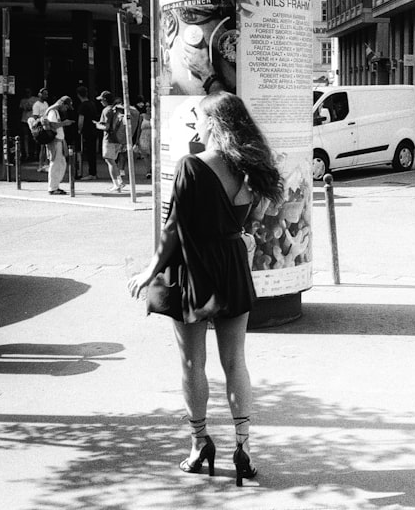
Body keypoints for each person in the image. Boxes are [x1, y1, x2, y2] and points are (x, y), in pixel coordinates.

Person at [127, 91, 283, 486]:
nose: (194, 122)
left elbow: (174, 228)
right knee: (236, 362)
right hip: (231, 268)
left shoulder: (192, 166)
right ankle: (244, 448)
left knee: (192, 363)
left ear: (213, 122)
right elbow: (252, 219)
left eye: (197, 116)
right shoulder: (251, 168)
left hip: (191, 272)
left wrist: (150, 270)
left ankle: (199, 445)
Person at [43, 96, 75, 195]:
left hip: (58, 140)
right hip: (55, 141)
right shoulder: (53, 112)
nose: (66, 109)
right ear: (62, 104)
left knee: (61, 163)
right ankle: (52, 188)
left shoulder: (54, 111)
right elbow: (53, 125)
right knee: (55, 164)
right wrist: (64, 123)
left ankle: (55, 186)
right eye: (66, 107)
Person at [96, 91, 126, 192]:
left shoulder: (106, 110)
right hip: (118, 138)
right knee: (112, 160)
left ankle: (117, 183)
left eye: (101, 100)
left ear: (105, 100)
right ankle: (119, 182)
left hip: (109, 139)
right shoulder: (116, 109)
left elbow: (106, 126)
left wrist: (97, 125)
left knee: (109, 160)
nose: (100, 102)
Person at [75, 86, 99, 180]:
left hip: (87, 131)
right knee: (92, 152)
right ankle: (94, 172)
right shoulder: (92, 104)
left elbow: (81, 120)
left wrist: (79, 130)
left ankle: (91, 173)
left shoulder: (82, 106)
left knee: (87, 152)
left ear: (78, 95)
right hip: (94, 129)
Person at [32, 88, 50, 172]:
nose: (46, 96)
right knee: (42, 147)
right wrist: (42, 118)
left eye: (47, 94)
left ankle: (46, 164)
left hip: (46, 125)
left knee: (47, 146)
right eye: (45, 94)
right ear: (40, 95)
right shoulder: (36, 105)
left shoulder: (46, 103)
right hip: (40, 126)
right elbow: (35, 117)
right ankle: (40, 165)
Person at [18, 89, 38, 161]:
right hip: (25, 120)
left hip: (33, 120)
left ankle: (35, 153)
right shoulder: (23, 100)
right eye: (26, 92)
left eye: (29, 92)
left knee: (35, 136)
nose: (27, 93)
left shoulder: (35, 99)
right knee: (26, 137)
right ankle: (27, 154)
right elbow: (21, 109)